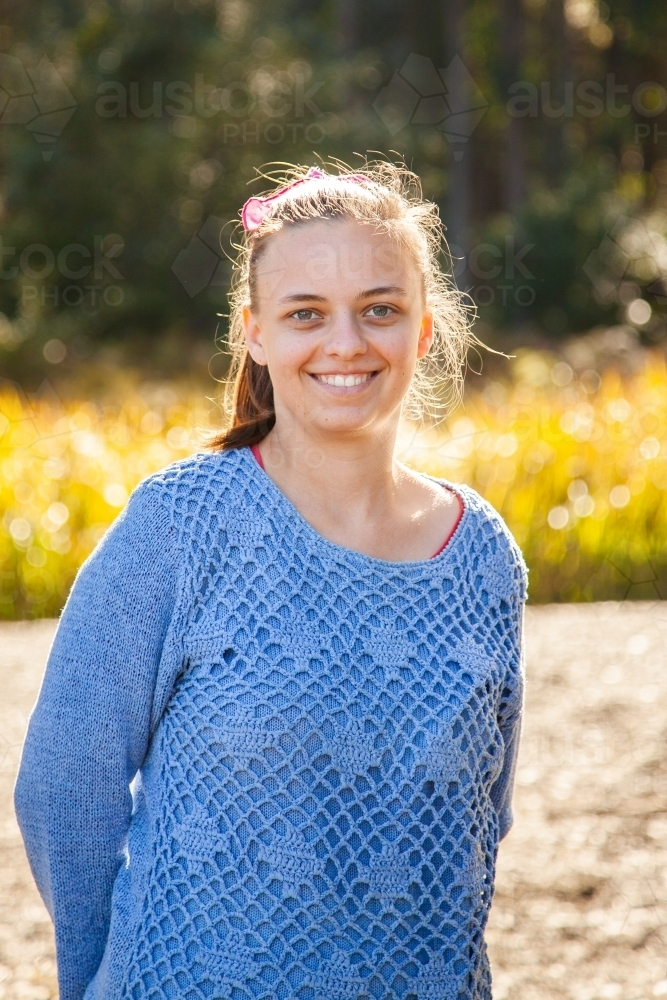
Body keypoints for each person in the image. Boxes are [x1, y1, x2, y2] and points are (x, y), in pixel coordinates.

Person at [14, 159, 528, 1000]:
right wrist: (99, 979)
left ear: (423, 331)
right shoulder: (181, 525)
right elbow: (66, 785)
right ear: (255, 332)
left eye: (380, 310)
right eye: (305, 314)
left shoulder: (482, 556)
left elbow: (480, 821)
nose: (346, 343)